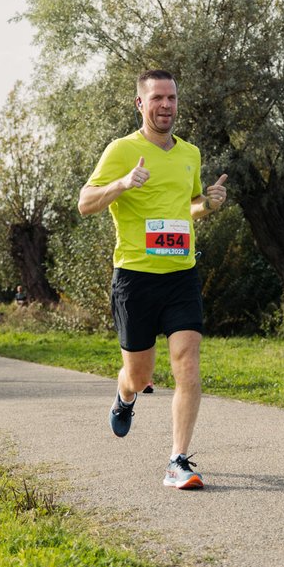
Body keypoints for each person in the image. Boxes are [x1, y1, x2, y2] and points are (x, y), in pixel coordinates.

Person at [78, 69, 227, 490]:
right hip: (135, 278)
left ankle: (178, 460)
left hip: (181, 273)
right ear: (140, 104)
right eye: (157, 98)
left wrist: (207, 204)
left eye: (172, 98)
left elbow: (188, 206)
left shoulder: (190, 154)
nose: (166, 105)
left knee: (187, 362)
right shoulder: (122, 150)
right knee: (140, 375)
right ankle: (125, 396)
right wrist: (123, 183)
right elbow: (85, 202)